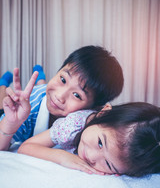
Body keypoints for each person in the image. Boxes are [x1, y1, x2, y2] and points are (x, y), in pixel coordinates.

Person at [0, 45, 124, 151]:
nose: (60, 96)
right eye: (63, 79)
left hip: (45, 93)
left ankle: (42, 78)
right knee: (4, 101)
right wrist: (11, 123)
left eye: (77, 95)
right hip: (37, 96)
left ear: (93, 108)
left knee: (47, 89)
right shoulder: (30, 105)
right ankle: (3, 82)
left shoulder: (92, 121)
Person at [18, 102, 160, 177]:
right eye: (100, 143)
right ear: (103, 113)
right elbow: (25, 147)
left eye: (108, 164)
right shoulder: (72, 126)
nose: (91, 157)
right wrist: (62, 156)